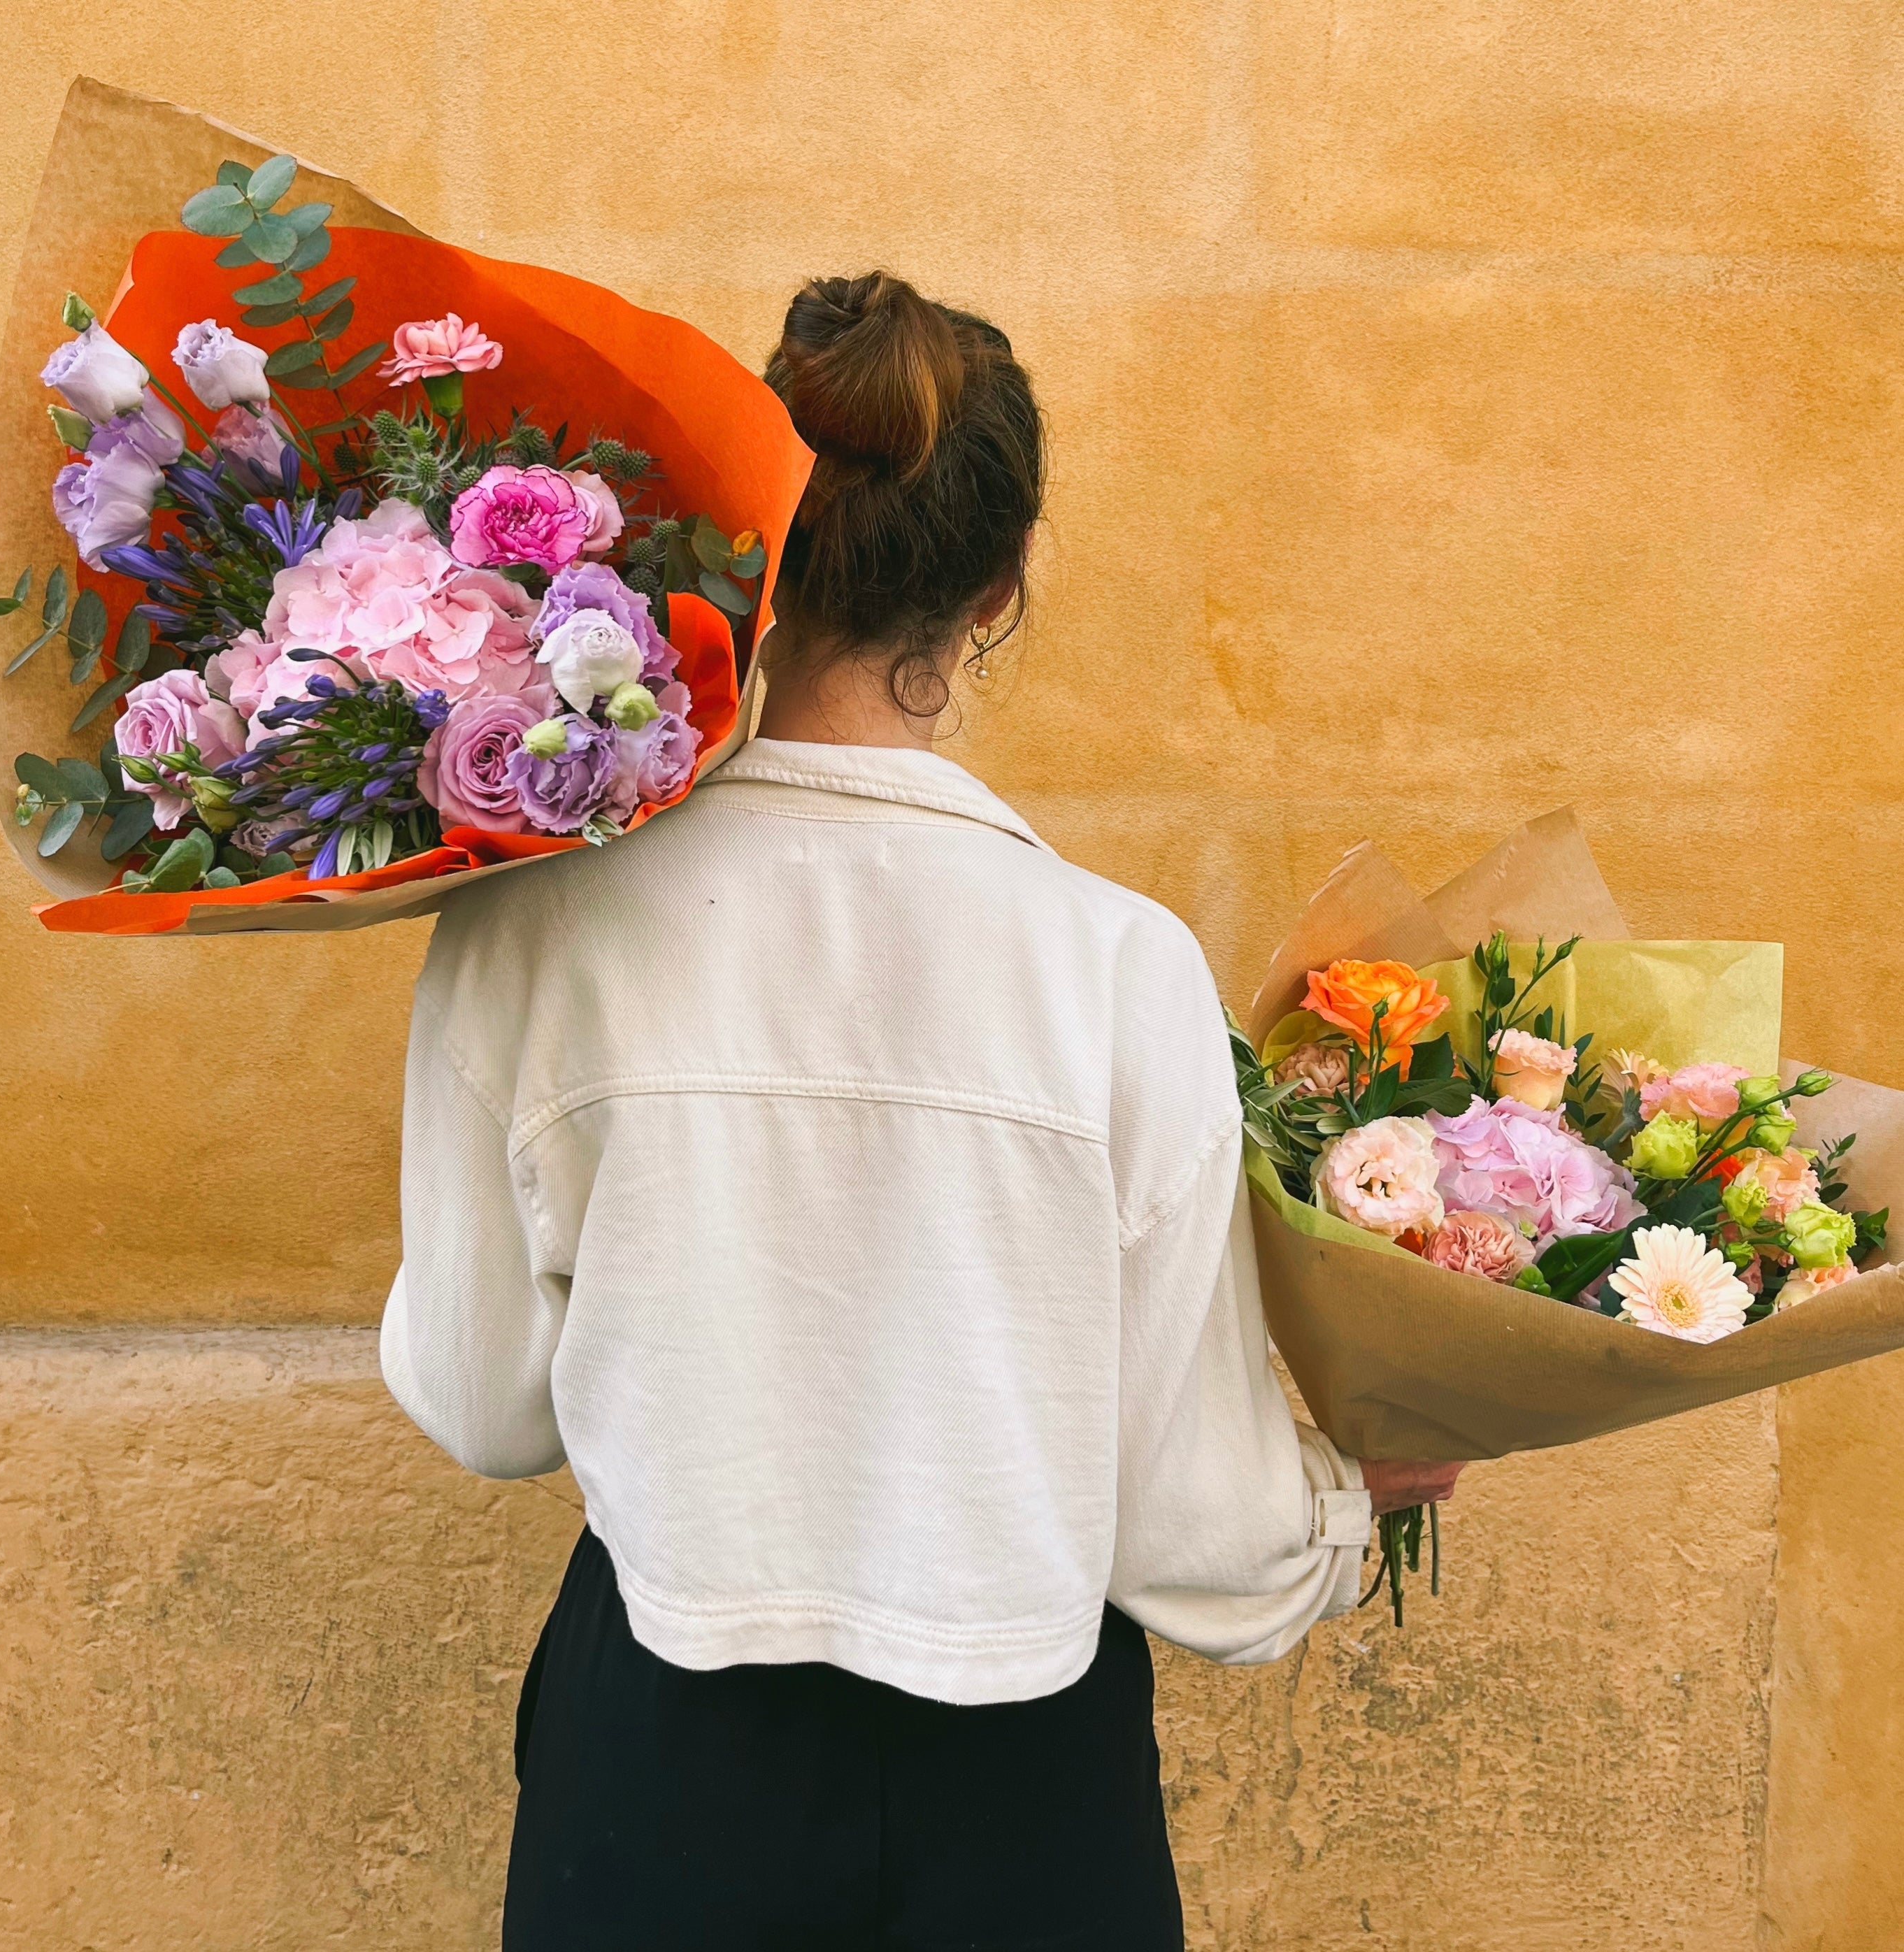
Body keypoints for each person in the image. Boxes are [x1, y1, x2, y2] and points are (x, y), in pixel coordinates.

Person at [381, 271, 1461, 1951]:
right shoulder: (1115, 965)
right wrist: (1348, 1503)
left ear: (747, 541)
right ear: (1003, 583)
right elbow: (1188, 1524)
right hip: (1020, 1791)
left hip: (659, 1764)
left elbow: (483, 1406)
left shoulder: (529, 923)